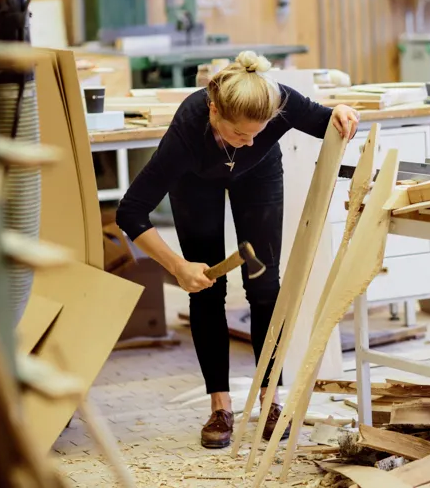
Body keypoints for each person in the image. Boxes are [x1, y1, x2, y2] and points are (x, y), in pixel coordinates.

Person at [116, 51, 359, 449]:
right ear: (214, 111)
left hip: (259, 177)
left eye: (257, 133)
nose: (249, 141)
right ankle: (221, 406)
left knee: (265, 288)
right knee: (205, 287)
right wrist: (177, 266)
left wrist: (343, 113)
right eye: (239, 135)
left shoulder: (276, 101)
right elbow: (130, 211)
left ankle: (270, 397)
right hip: (196, 183)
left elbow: (325, 119)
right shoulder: (187, 132)